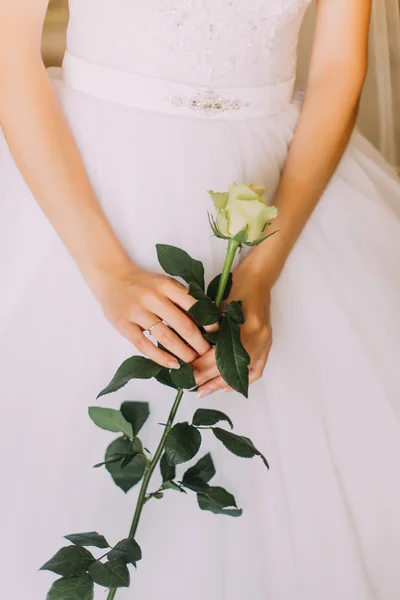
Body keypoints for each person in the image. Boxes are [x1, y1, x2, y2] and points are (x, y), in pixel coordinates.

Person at [1, 1, 400, 598]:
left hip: (279, 175)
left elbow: (338, 68)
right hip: (88, 167)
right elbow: (9, 51)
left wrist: (263, 269)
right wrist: (105, 268)